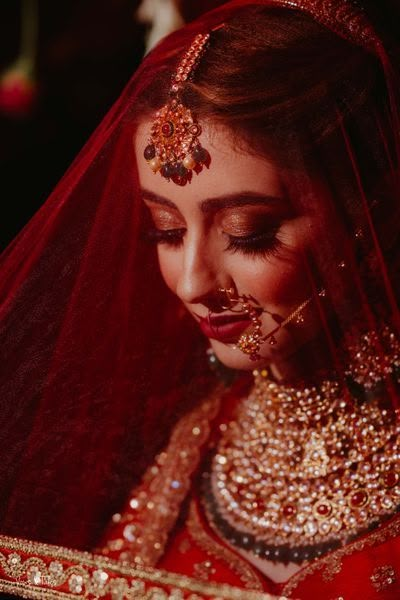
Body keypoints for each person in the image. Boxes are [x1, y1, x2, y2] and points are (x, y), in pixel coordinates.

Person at [0, 1, 399, 598]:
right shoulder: (194, 440)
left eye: (248, 234)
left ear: (369, 215)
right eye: (165, 231)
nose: (192, 285)